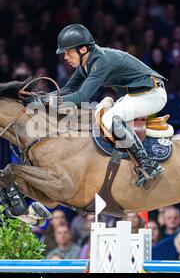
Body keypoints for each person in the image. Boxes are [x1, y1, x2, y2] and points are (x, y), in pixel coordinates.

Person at [50, 24, 167, 187]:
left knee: (111, 118)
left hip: (152, 94)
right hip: (135, 95)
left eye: (68, 52)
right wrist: (43, 98)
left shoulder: (101, 60)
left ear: (82, 49)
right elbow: (68, 89)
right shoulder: (86, 63)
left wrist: (49, 103)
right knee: (100, 114)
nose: (65, 57)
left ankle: (147, 164)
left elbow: (81, 96)